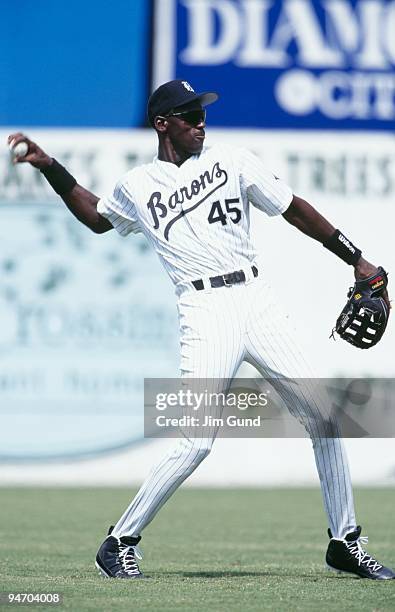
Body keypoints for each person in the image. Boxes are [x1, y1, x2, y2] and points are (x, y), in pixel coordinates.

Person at [8, 79, 394, 581]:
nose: (200, 122)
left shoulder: (233, 159)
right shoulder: (137, 185)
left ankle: (345, 541)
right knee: (196, 440)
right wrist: (51, 168)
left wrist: (356, 258)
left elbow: (294, 209)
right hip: (204, 309)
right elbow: (97, 218)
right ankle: (118, 540)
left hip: (255, 299)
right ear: (162, 123)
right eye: (188, 115)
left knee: (323, 415)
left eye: (201, 112)